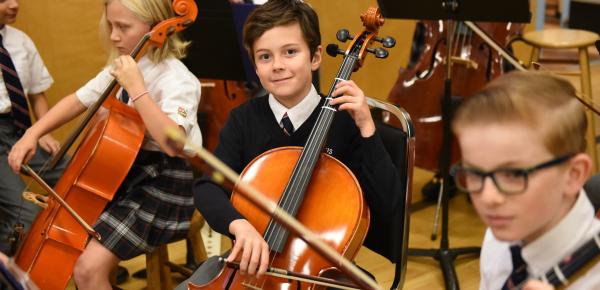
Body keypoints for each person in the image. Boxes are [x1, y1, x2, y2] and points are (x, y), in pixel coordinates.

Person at [193, 0, 402, 279]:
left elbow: (389, 205)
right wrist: (239, 225)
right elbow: (208, 187)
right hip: (250, 264)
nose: (277, 65)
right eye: (264, 57)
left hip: (317, 272)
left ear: (315, 57)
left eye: (290, 52)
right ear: (254, 65)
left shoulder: (345, 122)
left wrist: (366, 127)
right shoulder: (243, 119)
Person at [7, 0, 202, 289]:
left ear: (155, 27)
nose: (113, 35)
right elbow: (77, 100)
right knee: (70, 244)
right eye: (111, 25)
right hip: (123, 178)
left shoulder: (178, 79)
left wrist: (138, 90)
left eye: (123, 27)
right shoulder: (124, 67)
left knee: (87, 268)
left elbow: (172, 144)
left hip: (164, 185)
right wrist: (32, 133)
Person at [451, 71, 600, 290]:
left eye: (514, 174)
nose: (488, 197)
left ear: (573, 174)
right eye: (475, 173)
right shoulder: (501, 234)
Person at [0, 0, 66, 256]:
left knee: (77, 177)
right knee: (27, 213)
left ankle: (89, 263)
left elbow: (37, 94)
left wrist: (43, 132)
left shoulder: (21, 41)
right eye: (4, 0)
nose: (15, 5)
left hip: (22, 130)